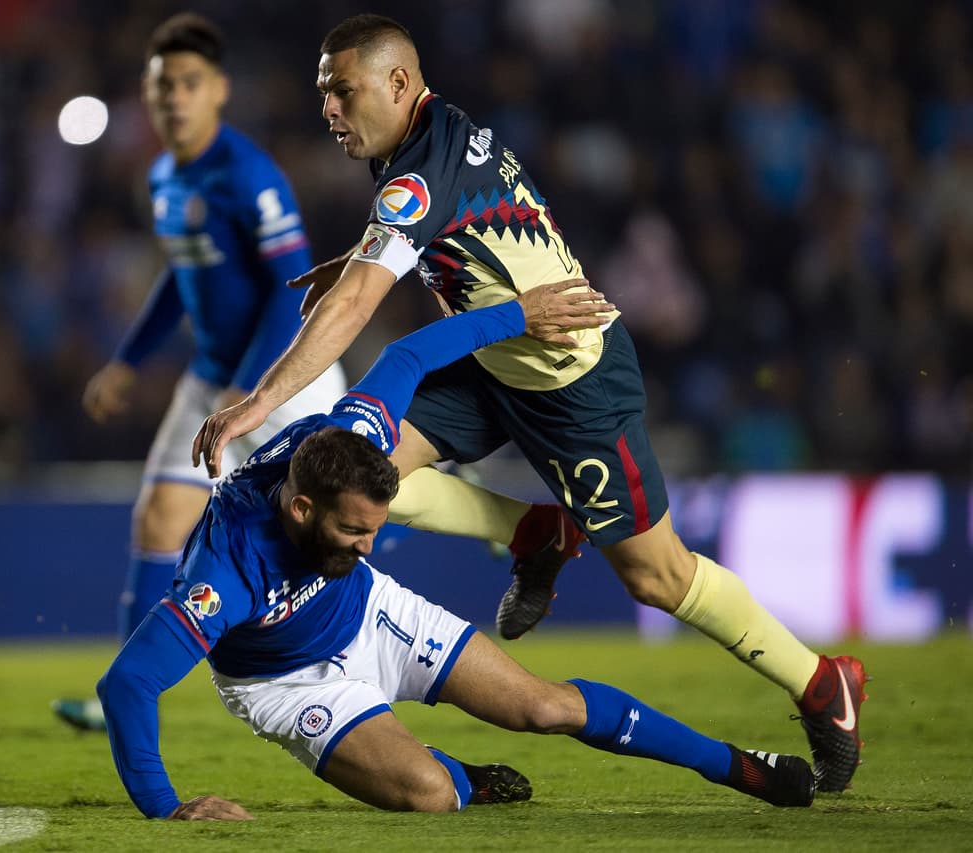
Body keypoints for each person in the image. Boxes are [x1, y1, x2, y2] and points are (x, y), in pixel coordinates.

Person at [191, 14, 866, 793]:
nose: (330, 111)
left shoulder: (411, 176)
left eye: (343, 91)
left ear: (398, 83)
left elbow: (356, 308)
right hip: (493, 360)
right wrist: (354, 260)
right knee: (365, 474)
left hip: (569, 378)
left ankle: (821, 682)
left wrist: (259, 400)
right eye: (324, 95)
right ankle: (536, 531)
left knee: (656, 576)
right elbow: (446, 223)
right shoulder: (429, 136)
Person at [97, 289, 815, 820]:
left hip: (371, 611)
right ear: (300, 507)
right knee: (431, 796)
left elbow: (407, 352)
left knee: (542, 707)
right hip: (288, 683)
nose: (369, 542)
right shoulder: (224, 573)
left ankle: (740, 766)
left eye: (374, 527)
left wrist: (521, 313)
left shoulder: (356, 432)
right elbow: (127, 682)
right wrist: (167, 806)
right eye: (352, 532)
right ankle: (457, 774)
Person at [53, 14, 349, 731]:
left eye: (189, 83)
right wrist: (128, 359)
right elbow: (178, 280)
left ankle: (458, 495)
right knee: (157, 517)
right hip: (213, 381)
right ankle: (123, 691)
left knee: (359, 509)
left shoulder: (249, 175)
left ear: (218, 90)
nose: (175, 99)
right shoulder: (162, 176)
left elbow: (294, 292)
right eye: (163, 87)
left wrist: (249, 389)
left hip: (284, 379)